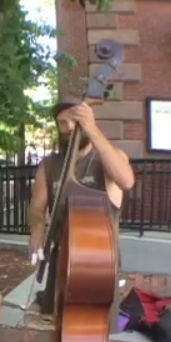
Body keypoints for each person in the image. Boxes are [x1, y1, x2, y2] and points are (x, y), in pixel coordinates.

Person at [28, 100, 135, 326]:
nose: (67, 127)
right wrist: (37, 227)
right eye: (61, 122)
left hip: (99, 263)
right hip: (62, 258)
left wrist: (92, 129)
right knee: (58, 326)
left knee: (92, 331)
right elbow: (37, 207)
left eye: (73, 121)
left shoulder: (105, 157)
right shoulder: (49, 165)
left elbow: (126, 180)